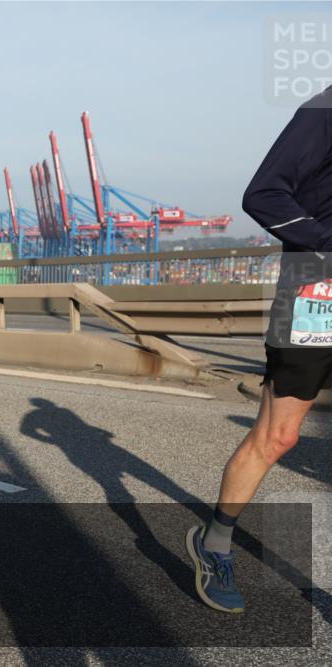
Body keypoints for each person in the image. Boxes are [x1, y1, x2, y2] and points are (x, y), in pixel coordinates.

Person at [186, 86, 332, 613]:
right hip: (318, 296)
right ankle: (216, 542)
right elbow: (263, 193)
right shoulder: (323, 111)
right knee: (280, 436)